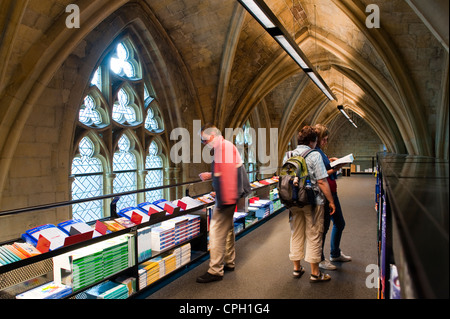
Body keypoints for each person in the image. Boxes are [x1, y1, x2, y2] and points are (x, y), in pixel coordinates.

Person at [196, 123, 251, 283]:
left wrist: (222, 197)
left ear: (212, 135)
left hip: (226, 198)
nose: (204, 144)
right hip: (230, 195)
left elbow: (227, 174)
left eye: (204, 140)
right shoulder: (225, 146)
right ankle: (229, 261)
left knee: (215, 232)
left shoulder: (223, 148)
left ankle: (215, 270)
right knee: (227, 230)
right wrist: (212, 175)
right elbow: (226, 171)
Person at [284, 125, 336, 283]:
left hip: (293, 200)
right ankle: (315, 273)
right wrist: (331, 201)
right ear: (313, 141)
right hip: (312, 201)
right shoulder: (314, 155)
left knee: (296, 233)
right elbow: (321, 181)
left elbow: (286, 177)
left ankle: (296, 268)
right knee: (314, 235)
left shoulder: (289, 154)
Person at [313, 124, 352, 272]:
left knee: (339, 223)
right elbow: (319, 176)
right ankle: (321, 259)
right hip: (324, 194)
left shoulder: (320, 152)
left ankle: (335, 253)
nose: (325, 142)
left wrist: (334, 163)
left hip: (332, 192)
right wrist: (334, 168)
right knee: (324, 227)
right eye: (324, 139)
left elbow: (325, 169)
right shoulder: (315, 153)